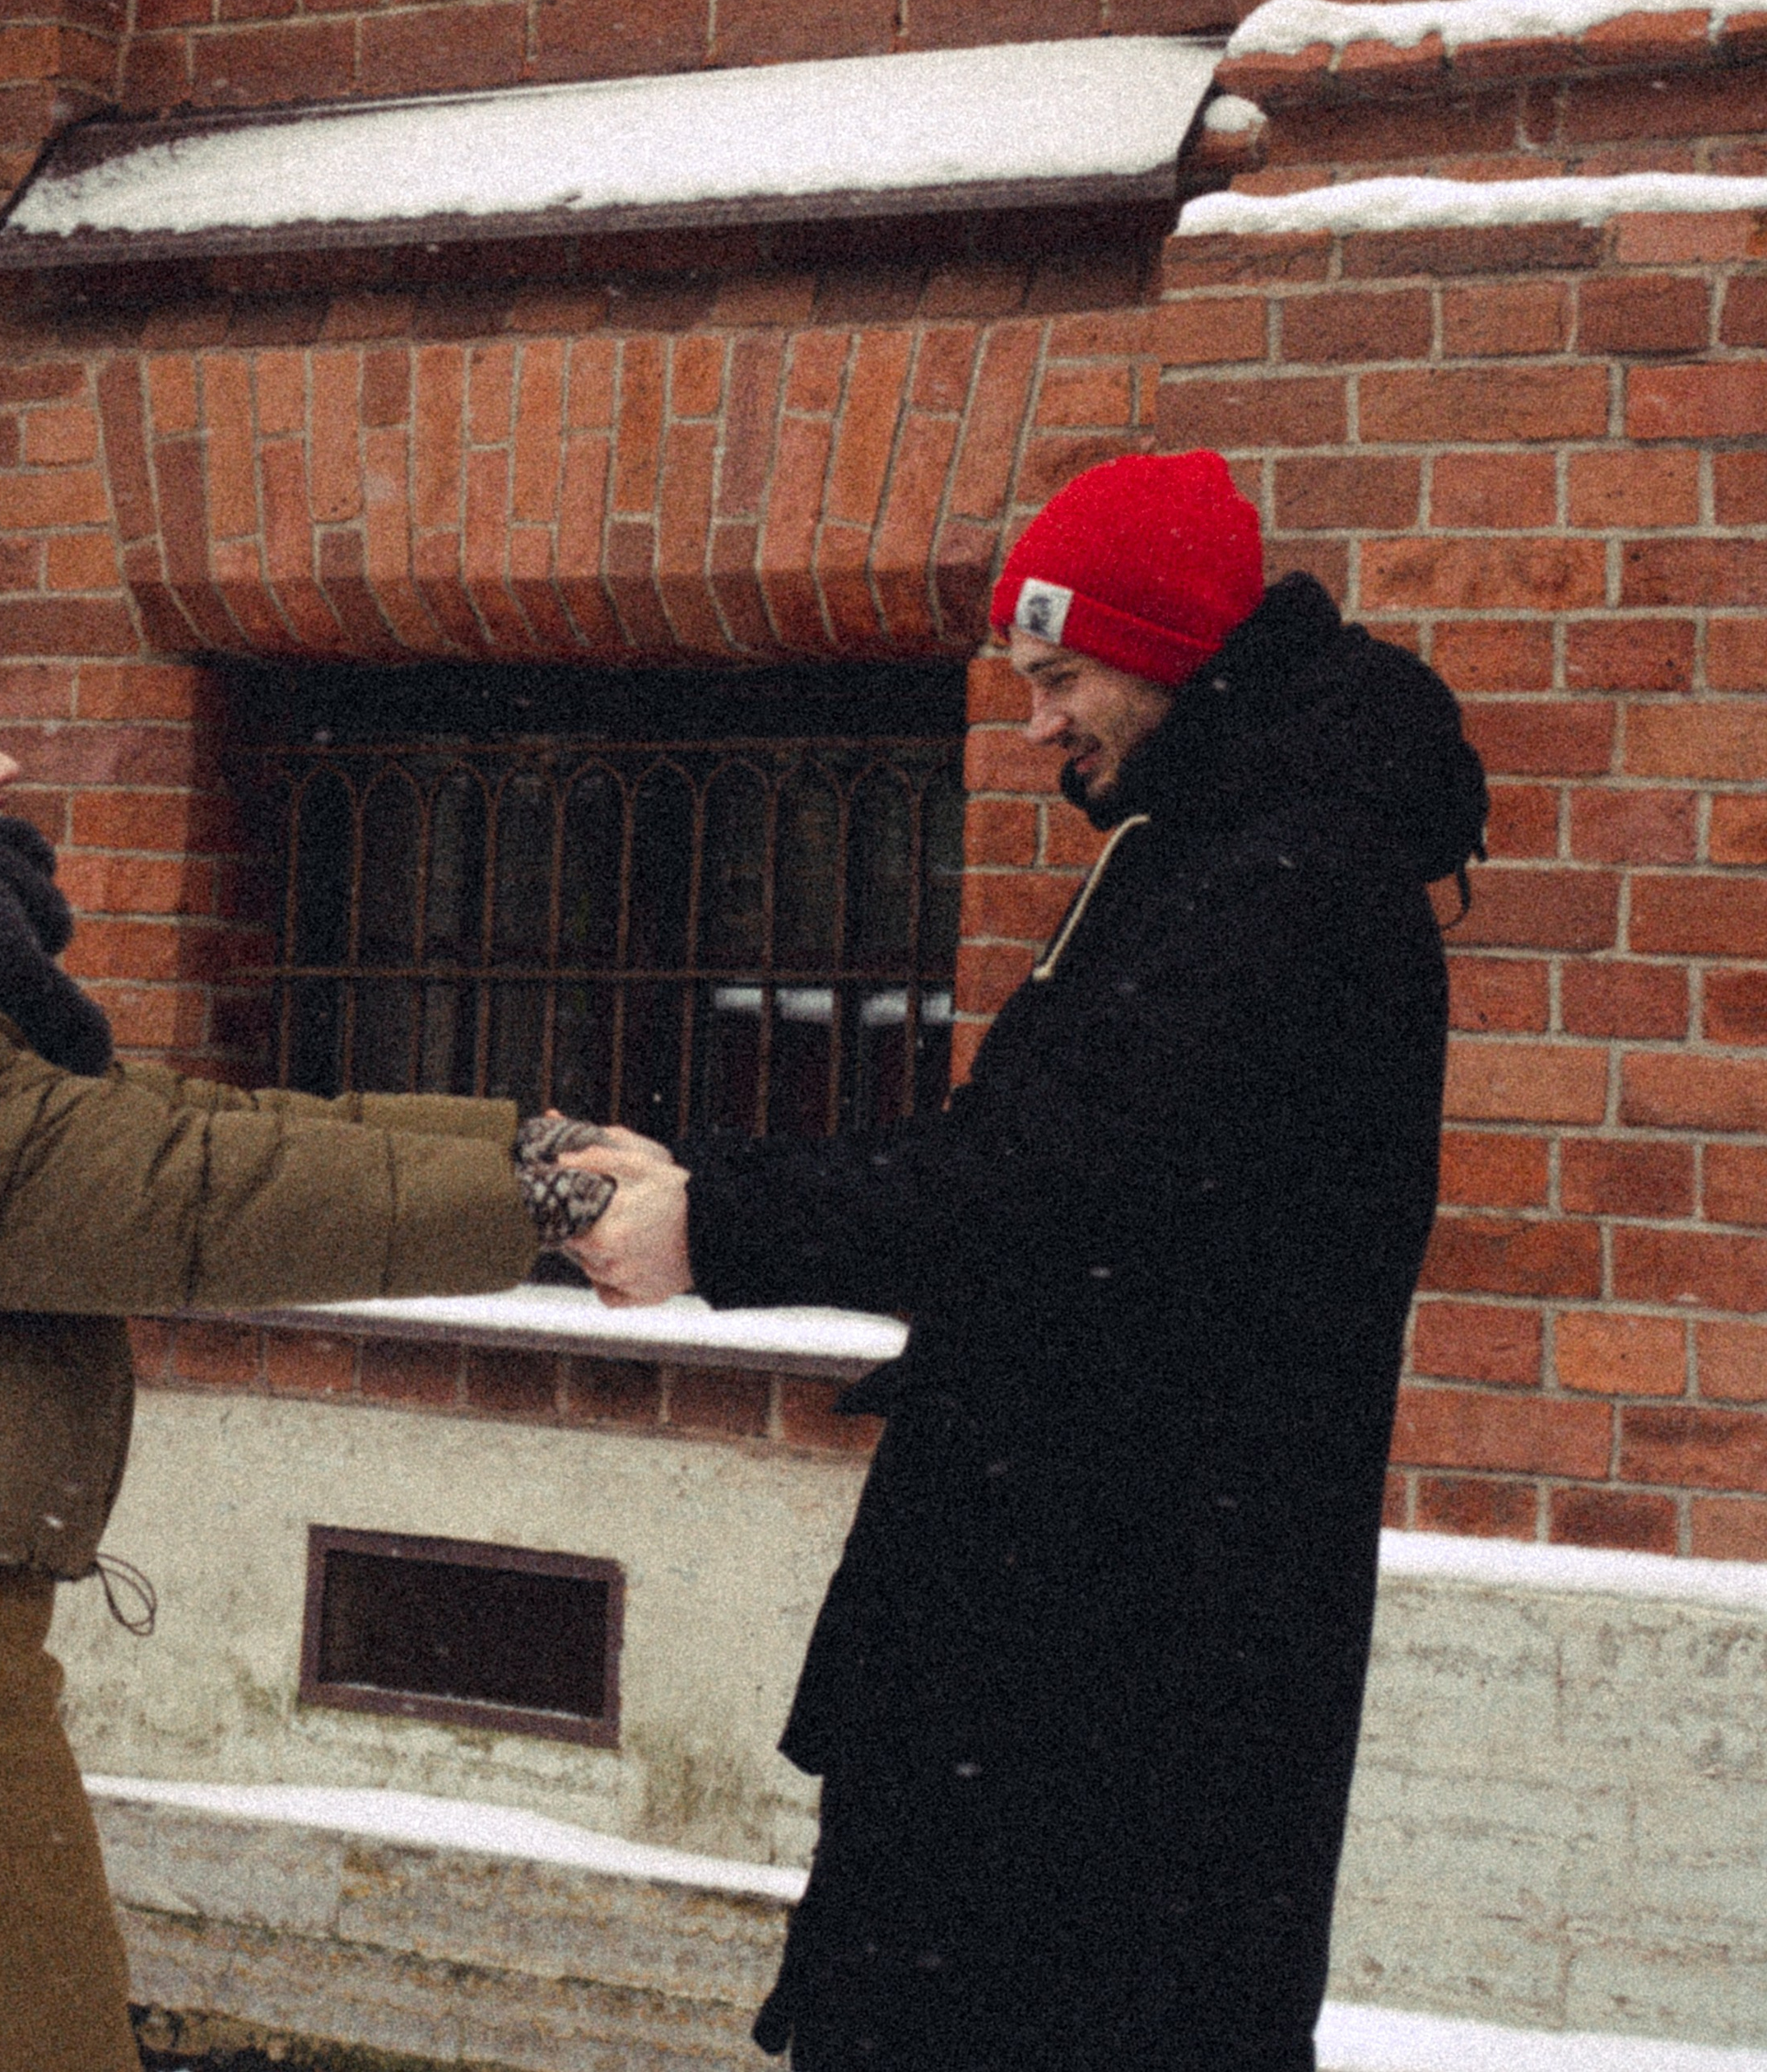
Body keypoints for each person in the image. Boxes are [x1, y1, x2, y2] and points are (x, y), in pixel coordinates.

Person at [545, 449, 1487, 2072]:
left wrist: (716, 1222)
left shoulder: (1282, 883)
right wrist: (719, 1185)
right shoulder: (1217, 849)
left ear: (1168, 655)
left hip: (1116, 1656)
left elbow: (1050, 1181)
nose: (1036, 720)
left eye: (1058, 677)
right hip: (1081, 1622)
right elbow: (1053, 1167)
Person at [0, 620, 539, 2072]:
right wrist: (531, 1207)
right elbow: (171, 1196)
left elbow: (172, 1127)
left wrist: (521, 1147)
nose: (5, 764)